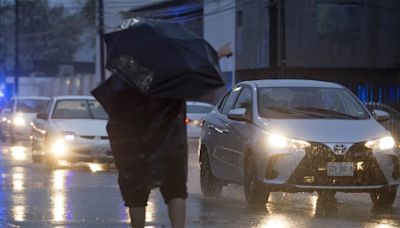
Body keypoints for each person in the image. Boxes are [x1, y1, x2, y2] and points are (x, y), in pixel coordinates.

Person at [107, 43, 232, 228]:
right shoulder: (173, 78)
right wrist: (218, 55)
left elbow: (115, 116)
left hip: (136, 148)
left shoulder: (129, 79)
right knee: (175, 192)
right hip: (170, 146)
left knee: (136, 196)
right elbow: (198, 70)